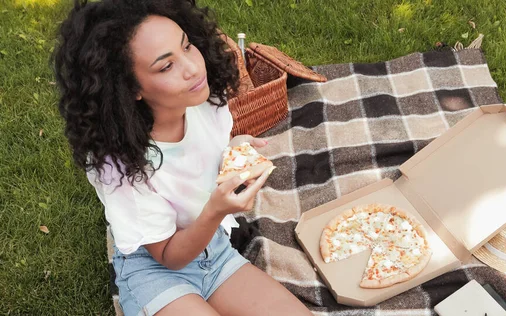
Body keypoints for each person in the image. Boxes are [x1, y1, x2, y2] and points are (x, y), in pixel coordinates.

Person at [53, 1, 313, 315]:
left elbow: (204, 153)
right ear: (131, 87)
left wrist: (234, 150)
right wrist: (216, 210)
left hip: (215, 254)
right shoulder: (123, 165)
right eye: (166, 66)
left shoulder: (204, 101)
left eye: (187, 46)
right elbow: (168, 255)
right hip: (156, 271)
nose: (192, 68)